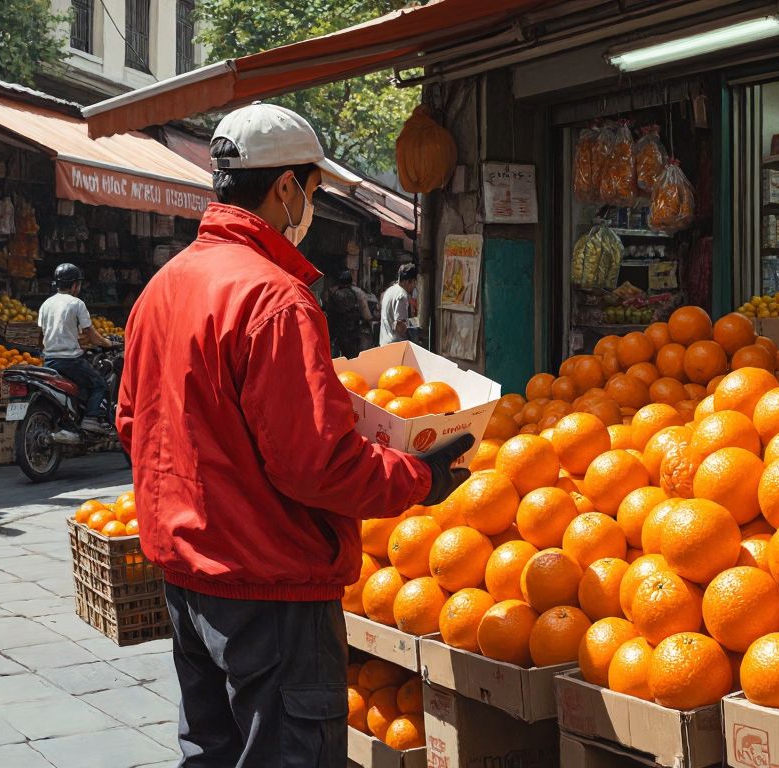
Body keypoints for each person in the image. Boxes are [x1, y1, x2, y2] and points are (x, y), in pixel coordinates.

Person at [116, 103, 471, 768]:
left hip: (189, 579)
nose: (311, 204)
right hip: (270, 590)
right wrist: (419, 477)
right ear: (285, 188)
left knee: (210, 753)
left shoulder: (161, 289)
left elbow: (135, 423)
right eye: (312, 187)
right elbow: (316, 464)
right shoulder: (275, 298)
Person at [37, 262, 115, 433]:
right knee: (99, 384)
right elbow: (91, 333)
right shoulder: (76, 303)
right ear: (74, 285)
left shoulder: (46, 305)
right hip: (70, 361)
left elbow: (42, 335)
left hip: (49, 361)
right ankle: (92, 418)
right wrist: (107, 343)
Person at [325, 269, 370, 358]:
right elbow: (366, 315)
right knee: (352, 358)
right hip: (352, 333)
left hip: (336, 333)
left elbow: (329, 312)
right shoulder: (358, 293)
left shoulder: (332, 293)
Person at [379, 263, 416, 346]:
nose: (414, 286)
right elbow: (399, 324)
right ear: (407, 281)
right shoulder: (402, 295)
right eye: (414, 282)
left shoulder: (389, 291)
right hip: (395, 345)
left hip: (384, 342)